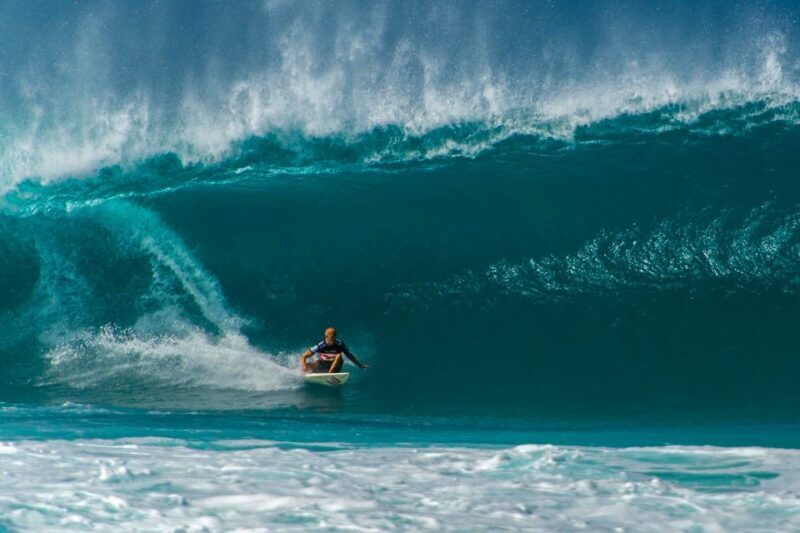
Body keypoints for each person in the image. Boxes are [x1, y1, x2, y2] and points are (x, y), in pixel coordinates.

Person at [300, 327, 368, 374]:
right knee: (313, 364)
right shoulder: (320, 345)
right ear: (326, 336)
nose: (334, 339)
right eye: (332, 337)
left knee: (338, 356)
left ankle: (330, 374)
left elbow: (349, 355)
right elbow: (304, 355)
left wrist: (359, 365)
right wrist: (304, 367)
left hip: (335, 367)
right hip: (323, 365)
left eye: (335, 337)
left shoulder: (340, 344)